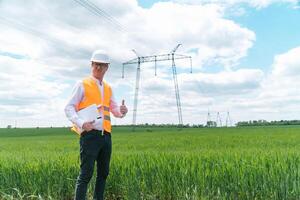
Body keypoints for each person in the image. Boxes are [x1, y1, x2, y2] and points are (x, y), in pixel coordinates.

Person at [64, 50, 128, 200]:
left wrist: (122, 111)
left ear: (107, 67)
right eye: (96, 65)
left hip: (106, 136)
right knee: (86, 174)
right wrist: (81, 123)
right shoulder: (82, 84)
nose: (98, 68)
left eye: (102, 65)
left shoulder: (108, 88)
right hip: (90, 135)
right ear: (91, 65)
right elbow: (68, 107)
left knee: (103, 173)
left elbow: (115, 111)